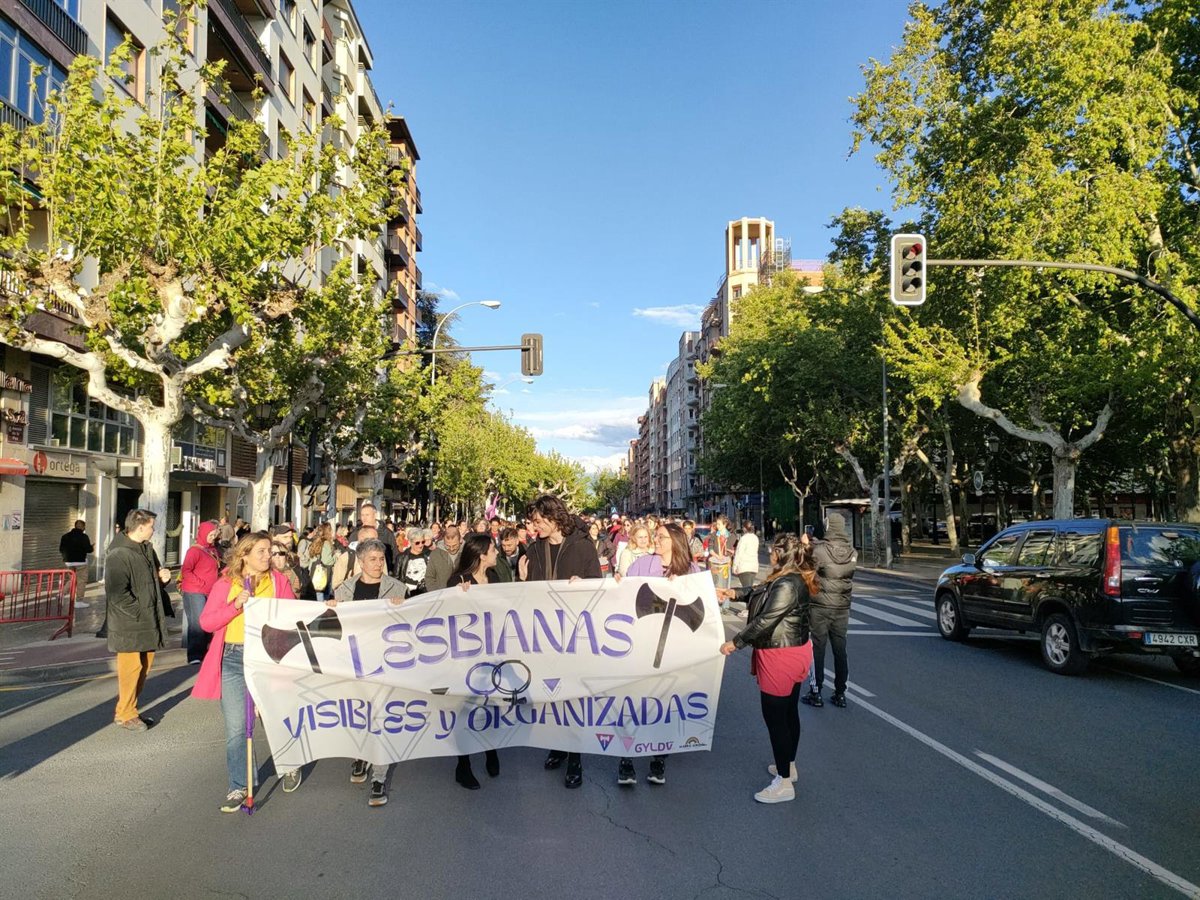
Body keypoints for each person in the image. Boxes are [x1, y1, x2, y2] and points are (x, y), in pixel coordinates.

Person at [194, 532, 302, 811]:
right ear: (244, 555)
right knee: (236, 727)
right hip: (233, 657)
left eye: (270, 551)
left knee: (275, 716)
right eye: (262, 551)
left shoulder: (278, 581)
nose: (268, 556)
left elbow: (294, 617)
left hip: (266, 657)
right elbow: (207, 622)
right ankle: (240, 785)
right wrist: (235, 605)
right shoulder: (226, 583)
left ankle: (290, 763)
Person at [718, 533, 816, 804]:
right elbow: (760, 592)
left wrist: (735, 643)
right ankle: (789, 766)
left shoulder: (787, 583)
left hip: (780, 654)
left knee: (776, 719)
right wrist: (734, 593)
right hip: (790, 650)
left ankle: (783, 783)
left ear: (780, 554)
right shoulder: (787, 577)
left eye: (772, 550)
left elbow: (766, 620)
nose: (769, 553)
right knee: (788, 713)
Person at [520, 494, 602, 789]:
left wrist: (586, 585)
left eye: (538, 521)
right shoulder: (534, 549)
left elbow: (599, 587)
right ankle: (558, 745)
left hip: (575, 636)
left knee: (573, 697)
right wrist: (523, 580)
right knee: (552, 696)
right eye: (533, 522)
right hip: (545, 637)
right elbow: (528, 597)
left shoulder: (582, 546)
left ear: (554, 518)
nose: (535, 527)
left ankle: (575, 757)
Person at [614, 522, 700, 787]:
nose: (656, 540)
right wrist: (618, 584)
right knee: (633, 703)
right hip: (642, 646)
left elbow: (699, 610)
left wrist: (681, 590)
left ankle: (658, 759)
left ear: (676, 541)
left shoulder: (691, 571)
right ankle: (626, 760)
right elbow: (625, 598)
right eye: (657, 536)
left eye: (662, 537)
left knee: (665, 706)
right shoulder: (642, 565)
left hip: (673, 652)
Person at [328, 539, 407, 807]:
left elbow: (407, 626)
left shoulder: (397, 588)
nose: (378, 563)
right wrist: (331, 608)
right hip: (353, 664)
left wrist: (402, 609)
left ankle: (379, 778)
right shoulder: (344, 591)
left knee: (381, 719)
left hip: (385, 664)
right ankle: (361, 755)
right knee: (359, 715)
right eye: (372, 559)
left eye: (381, 559)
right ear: (360, 562)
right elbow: (335, 627)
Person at [105, 509, 174, 731]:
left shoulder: (146, 549)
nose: (154, 530)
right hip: (130, 623)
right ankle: (126, 714)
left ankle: (127, 710)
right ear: (141, 527)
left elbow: (150, 583)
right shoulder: (119, 554)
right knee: (131, 669)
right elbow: (118, 594)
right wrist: (139, 611)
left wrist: (162, 580)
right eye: (152, 526)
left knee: (143, 668)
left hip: (148, 619)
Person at [446, 533, 502, 789]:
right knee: (466, 708)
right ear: (481, 555)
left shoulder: (495, 578)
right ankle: (464, 764)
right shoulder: (457, 581)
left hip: (492, 652)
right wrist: (458, 598)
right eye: (493, 549)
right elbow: (446, 617)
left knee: (491, 704)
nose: (497, 553)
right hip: (465, 657)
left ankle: (491, 750)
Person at [802, 512, 857, 709]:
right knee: (840, 649)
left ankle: (816, 691)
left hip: (820, 606)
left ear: (828, 527)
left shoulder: (819, 551)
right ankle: (840, 692)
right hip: (842, 606)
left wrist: (808, 546)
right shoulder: (852, 552)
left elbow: (807, 570)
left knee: (817, 648)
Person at [180, 520, 222, 664]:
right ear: (203, 534)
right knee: (197, 623)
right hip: (195, 591)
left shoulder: (213, 550)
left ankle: (205, 652)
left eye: (214, 535)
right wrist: (200, 583)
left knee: (207, 622)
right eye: (210, 535)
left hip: (210, 591)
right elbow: (186, 570)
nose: (212, 537)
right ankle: (194, 655)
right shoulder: (194, 551)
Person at [59, 518, 94, 609]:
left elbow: (61, 549)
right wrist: (92, 547)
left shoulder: (65, 536)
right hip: (80, 562)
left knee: (72, 579)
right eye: (84, 527)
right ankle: (79, 601)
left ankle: (62, 594)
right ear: (82, 527)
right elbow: (88, 550)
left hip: (68, 563)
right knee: (81, 581)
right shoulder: (84, 537)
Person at [351, 502, 396, 571]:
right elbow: (350, 553)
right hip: (360, 571)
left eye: (367, 515)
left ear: (375, 515)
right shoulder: (355, 533)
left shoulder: (386, 533)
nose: (364, 518)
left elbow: (394, 554)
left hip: (381, 570)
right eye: (362, 515)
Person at [395, 527, 432, 596]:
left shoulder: (430, 554)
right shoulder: (401, 557)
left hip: (427, 593)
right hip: (408, 594)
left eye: (423, 542)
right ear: (410, 542)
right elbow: (396, 579)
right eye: (417, 543)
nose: (421, 545)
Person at [425, 524, 463, 591]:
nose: (451, 549)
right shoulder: (435, 554)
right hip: (440, 594)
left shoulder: (467, 552)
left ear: (460, 540)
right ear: (443, 541)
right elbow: (429, 578)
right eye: (447, 546)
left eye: (455, 545)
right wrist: (436, 593)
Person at [732, 521, 761, 591]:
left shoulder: (744, 538)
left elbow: (739, 553)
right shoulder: (755, 538)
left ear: (744, 528)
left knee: (746, 590)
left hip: (744, 567)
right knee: (749, 588)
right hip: (754, 567)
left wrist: (734, 566)